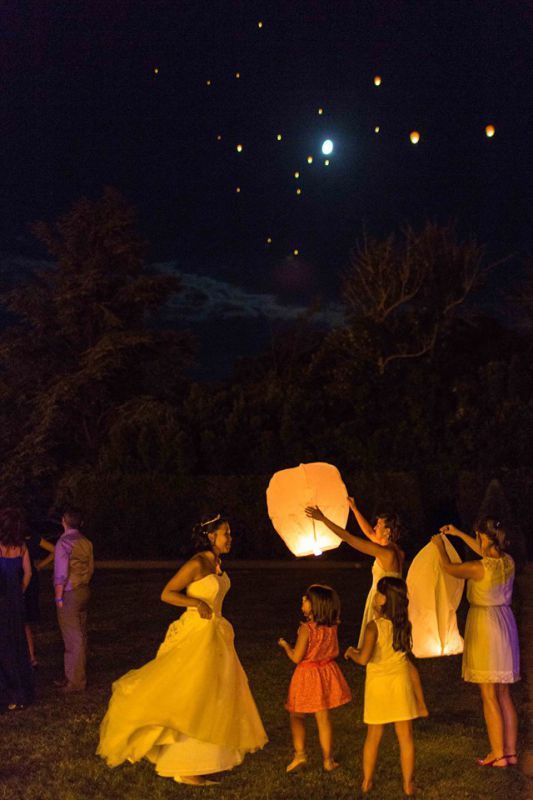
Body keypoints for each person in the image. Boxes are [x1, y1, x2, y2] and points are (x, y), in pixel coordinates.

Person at [97, 513, 268, 786]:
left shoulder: (217, 562)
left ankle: (205, 759)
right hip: (196, 634)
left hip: (216, 634)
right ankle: (184, 765)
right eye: (226, 533)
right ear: (211, 536)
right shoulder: (198, 563)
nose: (230, 538)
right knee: (192, 694)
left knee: (213, 696)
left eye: (230, 533)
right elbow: (167, 593)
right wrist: (195, 603)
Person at [305, 499, 428, 717]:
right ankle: (416, 702)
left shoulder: (386, 553)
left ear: (388, 531)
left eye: (379, 525)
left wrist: (323, 519)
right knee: (399, 654)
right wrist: (353, 508)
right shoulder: (396, 551)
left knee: (383, 651)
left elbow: (351, 539)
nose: (374, 528)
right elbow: (368, 534)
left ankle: (391, 697)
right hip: (395, 600)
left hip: (384, 602)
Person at [432, 517, 520, 767]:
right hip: (505, 623)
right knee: (504, 692)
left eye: (478, 536)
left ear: (484, 537)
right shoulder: (508, 561)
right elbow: (485, 551)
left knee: (488, 693)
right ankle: (510, 752)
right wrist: (458, 533)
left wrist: (439, 546)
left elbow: (449, 568)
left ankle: (498, 754)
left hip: (485, 626)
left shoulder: (478, 568)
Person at [345, 576, 420, 797]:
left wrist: (351, 652)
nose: (376, 595)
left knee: (373, 735)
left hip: (379, 685)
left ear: (384, 599)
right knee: (405, 737)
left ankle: (367, 781)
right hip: (400, 683)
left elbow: (365, 658)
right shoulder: (404, 624)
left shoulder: (373, 627)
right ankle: (408, 784)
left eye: (379, 592)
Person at [278, 584, 352, 773]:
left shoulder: (306, 629)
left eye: (305, 599)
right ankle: (328, 760)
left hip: (307, 675)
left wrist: (286, 646)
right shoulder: (333, 625)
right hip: (326, 673)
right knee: (323, 718)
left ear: (315, 605)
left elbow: (296, 657)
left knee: (297, 714)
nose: (302, 602)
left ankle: (300, 754)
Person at [54, 507, 93, 692]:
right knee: (81, 635)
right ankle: (73, 675)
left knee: (72, 638)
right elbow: (91, 567)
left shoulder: (63, 542)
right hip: (84, 589)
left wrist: (58, 596)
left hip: (70, 591)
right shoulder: (86, 542)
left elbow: (61, 573)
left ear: (64, 521)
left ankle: (76, 682)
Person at [0, 508, 35, 710]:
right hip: (15, 601)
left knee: (3, 646)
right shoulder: (22, 547)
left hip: (3, 600)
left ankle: (7, 694)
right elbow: (28, 573)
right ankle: (20, 693)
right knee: (17, 644)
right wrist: (20, 589)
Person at [24, 530, 55, 667]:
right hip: (30, 581)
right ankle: (31, 656)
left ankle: (30, 656)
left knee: (23, 620)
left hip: (22, 580)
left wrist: (40, 565)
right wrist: (40, 565)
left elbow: (55, 550)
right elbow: (54, 550)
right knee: (25, 621)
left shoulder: (14, 540)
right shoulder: (32, 538)